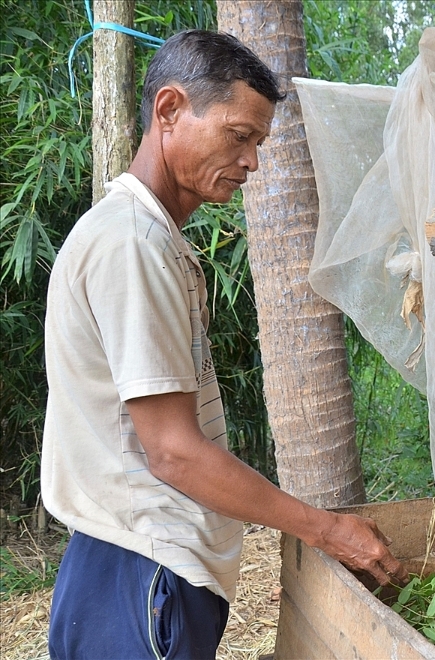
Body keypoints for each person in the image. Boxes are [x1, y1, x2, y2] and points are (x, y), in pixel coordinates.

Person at [42, 29, 408, 659]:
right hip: (143, 566)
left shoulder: (146, 238)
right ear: (169, 111)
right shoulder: (135, 244)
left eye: (259, 143)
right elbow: (175, 454)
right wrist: (326, 530)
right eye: (240, 136)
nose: (253, 163)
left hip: (126, 561)